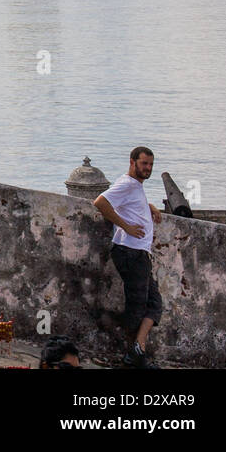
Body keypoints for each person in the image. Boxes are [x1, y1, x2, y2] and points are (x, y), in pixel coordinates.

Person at [93, 147, 162, 368]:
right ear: (132, 162)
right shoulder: (126, 183)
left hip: (138, 253)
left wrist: (148, 206)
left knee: (153, 303)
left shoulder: (135, 186)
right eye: (144, 164)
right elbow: (100, 202)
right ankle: (134, 356)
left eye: (151, 164)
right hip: (130, 252)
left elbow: (129, 204)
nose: (148, 168)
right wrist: (126, 227)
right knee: (137, 305)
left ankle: (137, 351)